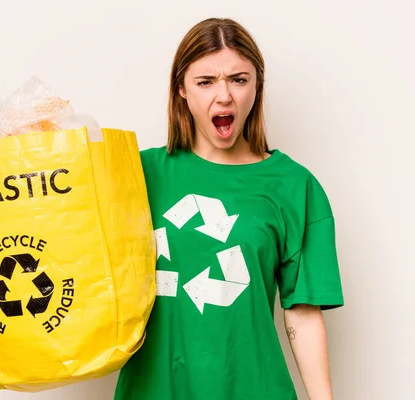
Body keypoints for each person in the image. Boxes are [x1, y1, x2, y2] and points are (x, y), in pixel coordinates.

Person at [114, 17, 344, 400]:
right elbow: (74, 241)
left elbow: (302, 313)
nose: (224, 97)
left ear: (257, 87)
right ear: (181, 90)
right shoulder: (137, 174)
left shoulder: (294, 185)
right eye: (205, 82)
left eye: (239, 79)